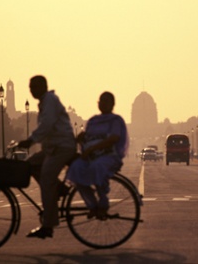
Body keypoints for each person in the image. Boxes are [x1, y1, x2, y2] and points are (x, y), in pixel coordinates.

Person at [18, 75, 77, 239]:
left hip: (62, 147)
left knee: (46, 179)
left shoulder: (49, 100)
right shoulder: (45, 102)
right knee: (30, 165)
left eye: (34, 87)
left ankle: (48, 225)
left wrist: (30, 140)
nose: (31, 90)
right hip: (53, 147)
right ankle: (59, 189)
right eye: (30, 87)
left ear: (43, 87)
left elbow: (48, 124)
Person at [67, 91, 128, 219]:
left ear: (112, 104)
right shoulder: (93, 121)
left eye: (106, 101)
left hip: (109, 156)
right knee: (75, 168)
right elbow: (88, 138)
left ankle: (103, 202)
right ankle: (92, 204)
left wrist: (93, 148)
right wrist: (81, 138)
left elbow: (114, 138)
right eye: (101, 101)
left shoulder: (115, 121)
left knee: (97, 166)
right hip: (91, 156)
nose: (103, 104)